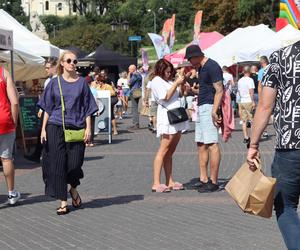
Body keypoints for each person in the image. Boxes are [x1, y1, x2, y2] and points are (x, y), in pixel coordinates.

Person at [247, 41, 300, 250]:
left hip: (291, 145)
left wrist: (253, 144)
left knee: (285, 206)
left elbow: (265, 105)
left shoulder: (280, 58)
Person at [38, 50, 98, 215]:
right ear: (62, 64)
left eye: (75, 61)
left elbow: (88, 108)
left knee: (74, 164)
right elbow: (48, 108)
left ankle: (73, 189)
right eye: (69, 60)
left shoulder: (82, 83)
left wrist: (88, 128)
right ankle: (63, 202)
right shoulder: (54, 83)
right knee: (58, 165)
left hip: (77, 128)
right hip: (55, 126)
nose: (73, 63)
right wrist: (43, 128)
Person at [185, 45, 224, 193]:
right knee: (201, 144)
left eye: (190, 59)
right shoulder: (201, 68)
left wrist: (215, 111)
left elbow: (219, 90)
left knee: (212, 143)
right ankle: (204, 179)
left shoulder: (212, 66)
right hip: (201, 106)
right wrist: (192, 90)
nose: (190, 63)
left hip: (209, 107)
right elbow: (206, 88)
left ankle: (213, 182)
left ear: (197, 55)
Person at [151, 59, 189, 193]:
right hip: (167, 117)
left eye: (170, 71)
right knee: (163, 149)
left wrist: (182, 84)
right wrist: (177, 83)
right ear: (160, 71)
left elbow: (180, 94)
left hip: (176, 116)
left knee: (170, 151)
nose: (168, 74)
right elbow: (165, 97)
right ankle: (156, 182)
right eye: (166, 72)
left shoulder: (169, 81)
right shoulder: (156, 81)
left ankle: (169, 180)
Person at [25, 58, 58, 163]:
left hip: (55, 112)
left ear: (55, 67)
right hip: (47, 110)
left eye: (48, 68)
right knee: (42, 132)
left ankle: (44, 154)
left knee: (49, 133)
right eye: (46, 68)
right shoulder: (48, 81)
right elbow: (45, 97)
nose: (46, 70)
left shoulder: (59, 79)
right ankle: (39, 154)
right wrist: (41, 108)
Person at [0, 67, 21, 205]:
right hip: (4, 121)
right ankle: (11, 194)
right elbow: (14, 101)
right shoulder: (3, 72)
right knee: (6, 159)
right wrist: (14, 122)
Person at [237, 66, 255, 144]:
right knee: (252, 120)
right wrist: (253, 101)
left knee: (244, 120)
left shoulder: (240, 80)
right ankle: (253, 137)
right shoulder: (250, 80)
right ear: (249, 72)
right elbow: (251, 92)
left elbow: (239, 91)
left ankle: (245, 137)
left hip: (242, 101)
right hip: (248, 100)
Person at [258, 56, 269, 139]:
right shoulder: (271, 68)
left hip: (264, 93)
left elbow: (260, 85)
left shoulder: (261, 71)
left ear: (262, 63)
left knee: (263, 113)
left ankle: (264, 131)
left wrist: (260, 97)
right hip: (273, 93)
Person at [128, 65, 142, 129]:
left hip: (133, 91)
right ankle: (135, 123)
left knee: (134, 108)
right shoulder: (139, 74)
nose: (129, 71)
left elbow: (129, 83)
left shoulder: (135, 75)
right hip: (138, 91)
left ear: (133, 69)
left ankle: (136, 123)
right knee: (135, 107)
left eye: (129, 69)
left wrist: (128, 75)